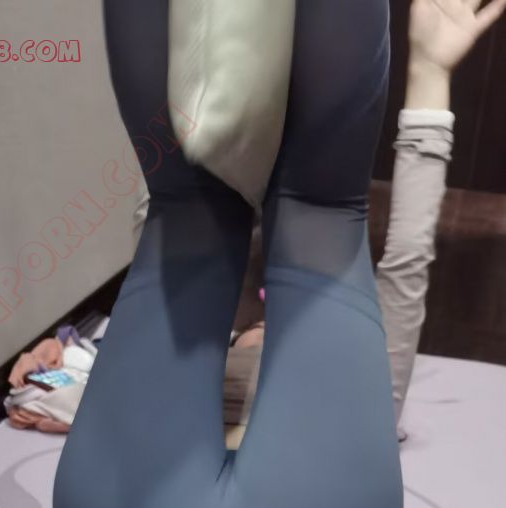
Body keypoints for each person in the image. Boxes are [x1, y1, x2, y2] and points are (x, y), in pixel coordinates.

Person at [132, 0, 506, 443]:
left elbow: (159, 222)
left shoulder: (170, 386)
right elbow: (408, 262)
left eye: (262, 325)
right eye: (264, 327)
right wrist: (429, 75)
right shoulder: (357, 413)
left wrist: (431, 72)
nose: (270, 325)